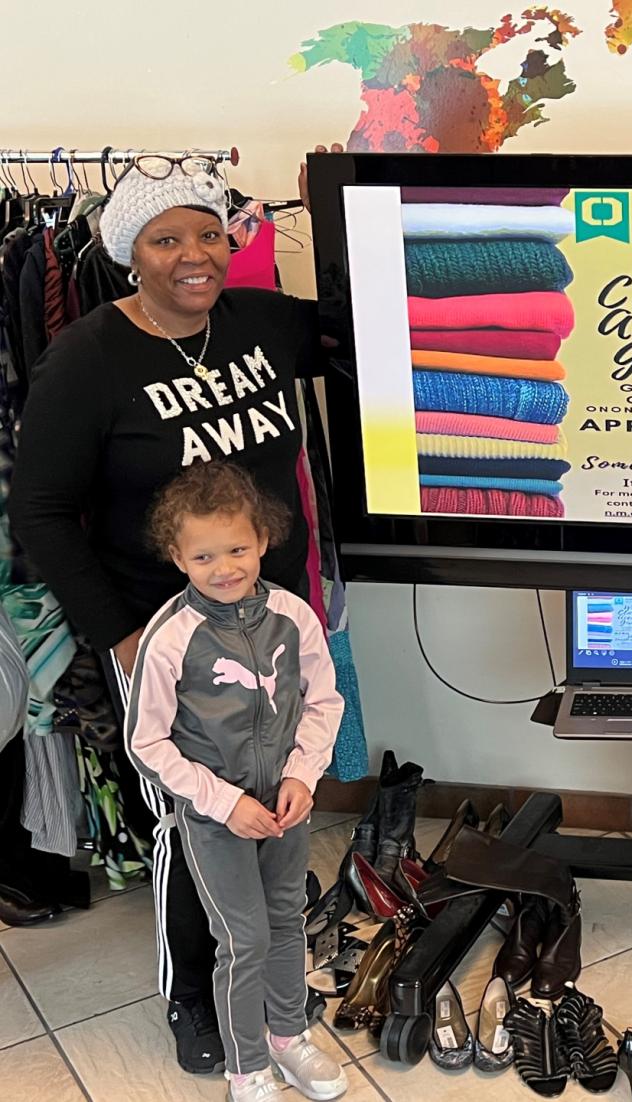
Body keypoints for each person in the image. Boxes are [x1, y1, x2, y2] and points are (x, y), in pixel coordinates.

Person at [8, 149, 337, 1072]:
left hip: (273, 623)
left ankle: (270, 987)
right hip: (164, 633)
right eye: (166, 239)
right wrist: (121, 634)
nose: (194, 255)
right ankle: (193, 995)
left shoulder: (260, 322)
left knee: (276, 801)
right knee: (195, 821)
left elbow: (369, 331)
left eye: (207, 233)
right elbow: (38, 511)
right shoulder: (89, 358)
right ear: (128, 254)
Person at [127, 461, 346, 1102]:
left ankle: (287, 1038)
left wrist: (303, 776)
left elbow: (323, 702)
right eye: (204, 555)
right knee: (244, 939)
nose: (225, 567)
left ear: (264, 539)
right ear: (177, 556)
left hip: (287, 805)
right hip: (216, 819)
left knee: (286, 921)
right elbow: (147, 745)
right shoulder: (170, 638)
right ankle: (246, 1067)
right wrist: (224, 803)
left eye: (238, 548)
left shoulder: (292, 614)